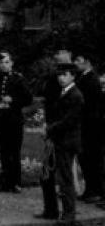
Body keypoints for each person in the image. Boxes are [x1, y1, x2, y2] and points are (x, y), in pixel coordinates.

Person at [36, 62, 83, 223]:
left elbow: (68, 121)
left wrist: (49, 129)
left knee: (65, 179)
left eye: (65, 74)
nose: (61, 78)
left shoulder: (75, 95)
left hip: (66, 142)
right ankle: (51, 210)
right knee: (46, 176)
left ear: (72, 76)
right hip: (56, 140)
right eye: (59, 75)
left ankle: (69, 215)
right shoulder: (64, 93)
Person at [0, 51, 33, 193]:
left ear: (12, 63)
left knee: (14, 152)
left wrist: (13, 100)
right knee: (3, 152)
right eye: (1, 62)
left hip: (14, 120)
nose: (4, 65)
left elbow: (28, 98)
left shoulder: (18, 79)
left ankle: (16, 182)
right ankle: (4, 182)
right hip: (1, 120)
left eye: (7, 62)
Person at [73, 51, 102, 203]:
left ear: (87, 62)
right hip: (85, 125)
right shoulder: (83, 78)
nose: (75, 63)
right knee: (85, 159)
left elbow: (90, 105)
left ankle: (95, 190)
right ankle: (90, 189)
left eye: (78, 60)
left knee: (92, 158)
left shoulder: (92, 80)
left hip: (91, 126)